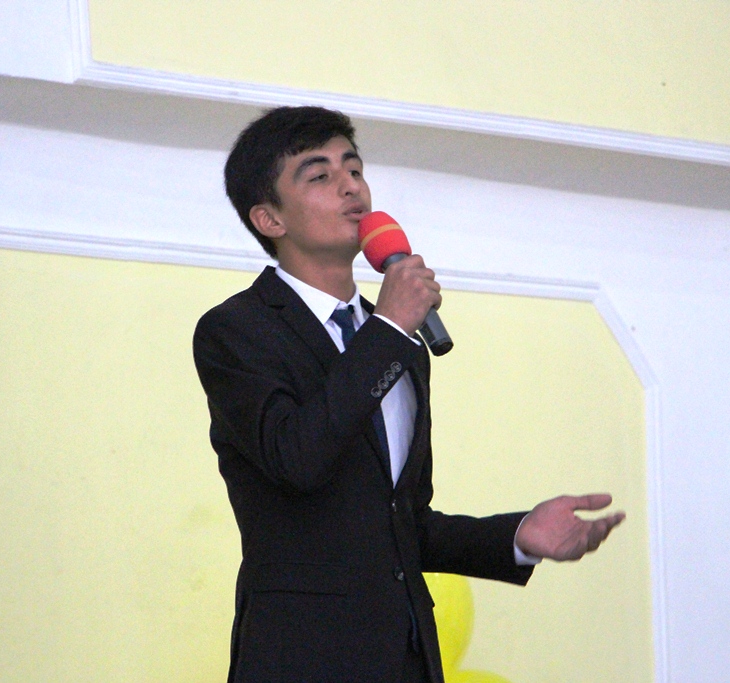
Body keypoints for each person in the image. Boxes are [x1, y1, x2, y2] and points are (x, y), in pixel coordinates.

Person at [193, 106, 625, 683]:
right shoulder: (238, 330)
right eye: (320, 175)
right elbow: (297, 459)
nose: (351, 186)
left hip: (408, 660)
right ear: (269, 218)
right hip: (302, 657)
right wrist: (390, 328)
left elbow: (402, 525)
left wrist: (518, 536)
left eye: (355, 169)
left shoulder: (402, 348)